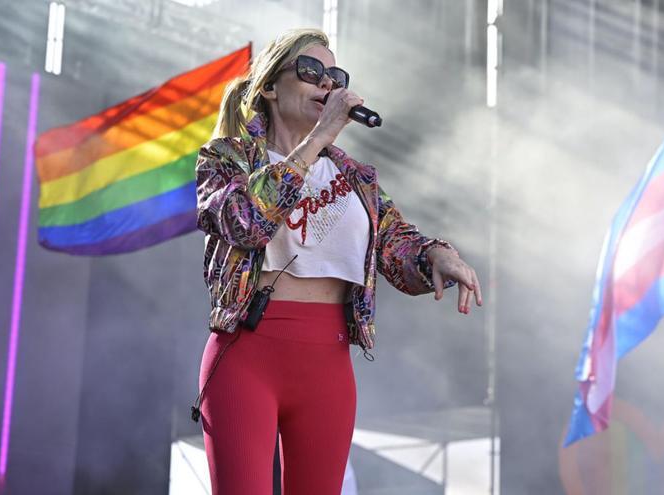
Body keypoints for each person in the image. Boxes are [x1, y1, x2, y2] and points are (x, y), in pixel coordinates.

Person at [193, 28, 482, 495]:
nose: (326, 84)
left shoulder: (355, 178)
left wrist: (434, 254)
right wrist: (319, 137)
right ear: (269, 87)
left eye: (334, 75)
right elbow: (245, 223)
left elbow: (397, 246)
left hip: (327, 360)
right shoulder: (227, 158)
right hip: (247, 354)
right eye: (310, 71)